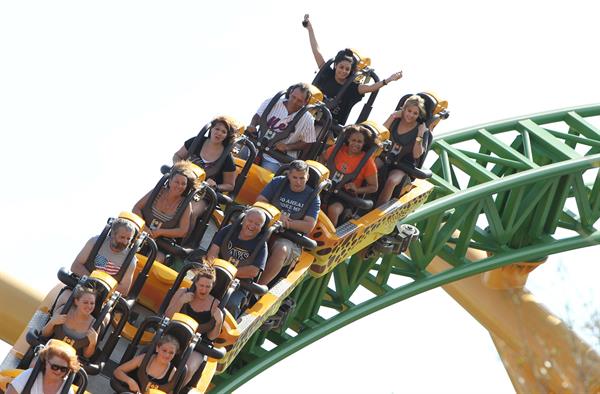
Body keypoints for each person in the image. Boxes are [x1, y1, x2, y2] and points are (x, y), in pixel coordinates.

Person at [303, 14, 403, 125]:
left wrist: (388, 80)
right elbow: (316, 51)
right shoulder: (327, 74)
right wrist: (310, 30)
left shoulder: (352, 87)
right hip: (308, 115)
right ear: (335, 65)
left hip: (328, 126)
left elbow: (370, 88)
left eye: (347, 69)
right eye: (341, 67)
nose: (344, 71)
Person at [256, 160, 320, 286]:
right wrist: (277, 216)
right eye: (295, 177)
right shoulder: (278, 182)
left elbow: (308, 226)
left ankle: (257, 288)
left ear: (307, 177)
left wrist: (287, 223)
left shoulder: (313, 197)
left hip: (290, 239)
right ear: (289, 175)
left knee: (282, 249)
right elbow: (260, 201)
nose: (298, 182)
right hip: (267, 227)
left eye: (302, 178)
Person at [164, 265, 223, 386]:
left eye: (208, 286)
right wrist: (181, 302)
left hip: (197, 346)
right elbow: (168, 315)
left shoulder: (215, 305)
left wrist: (219, 322)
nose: (204, 290)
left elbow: (212, 337)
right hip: (174, 336)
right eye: (201, 285)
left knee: (188, 368)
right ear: (195, 283)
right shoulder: (183, 292)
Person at [205, 207, 268, 317]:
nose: (252, 226)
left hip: (239, 284)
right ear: (244, 220)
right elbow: (212, 252)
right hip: (214, 274)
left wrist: (229, 273)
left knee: (231, 304)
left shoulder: (261, 245)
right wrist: (215, 270)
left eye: (257, 224)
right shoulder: (229, 230)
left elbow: (254, 271)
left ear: (261, 227)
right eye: (250, 221)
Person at [133, 161, 201, 260]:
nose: (179, 186)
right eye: (176, 182)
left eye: (183, 184)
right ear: (170, 181)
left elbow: (183, 231)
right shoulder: (157, 192)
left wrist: (160, 232)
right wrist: (145, 227)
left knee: (157, 258)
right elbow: (136, 208)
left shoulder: (185, 205)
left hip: (162, 242)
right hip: (142, 232)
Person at [172, 116, 239, 216]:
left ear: (226, 136)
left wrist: (215, 186)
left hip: (202, 195)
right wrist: (181, 168)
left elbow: (230, 185)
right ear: (211, 129)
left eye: (223, 132)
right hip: (182, 184)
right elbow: (177, 156)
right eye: (217, 129)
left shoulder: (227, 158)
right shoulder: (196, 141)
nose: (219, 133)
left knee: (190, 213)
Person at [246, 83, 316, 173]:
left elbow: (307, 142)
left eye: (299, 100)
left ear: (305, 102)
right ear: (290, 93)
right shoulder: (272, 102)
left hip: (276, 158)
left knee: (264, 176)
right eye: (293, 97)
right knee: (237, 162)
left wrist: (288, 147)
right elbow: (257, 116)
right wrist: (252, 125)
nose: (294, 102)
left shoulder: (308, 119)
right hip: (256, 146)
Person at [376, 94, 428, 206]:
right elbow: (380, 135)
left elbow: (416, 154)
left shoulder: (421, 130)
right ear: (403, 109)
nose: (411, 115)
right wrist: (392, 116)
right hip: (385, 157)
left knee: (391, 181)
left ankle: (378, 210)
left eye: (415, 113)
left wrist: (420, 134)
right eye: (409, 111)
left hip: (402, 164)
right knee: (369, 166)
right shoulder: (395, 121)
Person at [321, 125, 378, 226]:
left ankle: (330, 236)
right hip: (325, 186)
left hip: (344, 196)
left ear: (364, 143)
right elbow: (323, 158)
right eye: (353, 140)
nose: (355, 144)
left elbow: (374, 187)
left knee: (334, 210)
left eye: (359, 142)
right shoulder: (337, 150)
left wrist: (357, 189)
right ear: (348, 140)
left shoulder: (367, 162)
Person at [70, 218, 137, 296]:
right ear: (113, 234)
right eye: (122, 237)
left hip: (104, 296)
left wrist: (100, 289)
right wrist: (92, 283)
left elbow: (124, 289)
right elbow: (75, 266)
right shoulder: (95, 242)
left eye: (128, 239)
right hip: (81, 286)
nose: (125, 242)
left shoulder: (130, 260)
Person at [42, 286, 99, 359]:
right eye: (85, 302)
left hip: (71, 360)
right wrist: (52, 323)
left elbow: (86, 355)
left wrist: (93, 343)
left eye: (92, 303)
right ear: (76, 301)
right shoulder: (63, 310)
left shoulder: (94, 324)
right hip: (50, 352)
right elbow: (44, 334)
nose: (89, 306)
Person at [6, 339, 80, 394]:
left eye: (63, 369)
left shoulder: (66, 389)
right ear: (46, 362)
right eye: (55, 367)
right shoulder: (29, 376)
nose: (58, 371)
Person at [113, 334, 179, 394]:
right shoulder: (144, 359)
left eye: (171, 353)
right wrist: (130, 381)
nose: (167, 355)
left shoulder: (173, 372)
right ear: (157, 348)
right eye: (164, 350)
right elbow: (118, 371)